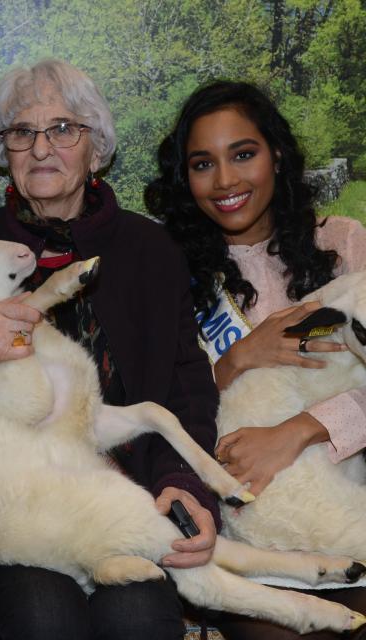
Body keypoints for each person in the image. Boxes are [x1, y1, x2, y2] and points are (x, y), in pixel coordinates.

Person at [0, 59, 220, 640]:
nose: (41, 148)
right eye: (21, 132)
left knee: (136, 618)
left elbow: (187, 381)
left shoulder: (150, 248)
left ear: (97, 148)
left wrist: (184, 480)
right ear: (3, 151)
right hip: (16, 503)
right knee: (43, 619)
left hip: (128, 495)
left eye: (63, 129)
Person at [146, 79, 366, 639]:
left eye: (243, 154)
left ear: (277, 155)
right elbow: (157, 409)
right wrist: (235, 360)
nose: (225, 181)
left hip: (352, 512)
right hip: (244, 535)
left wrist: (299, 430)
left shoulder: (344, 244)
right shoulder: (166, 272)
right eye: (203, 163)